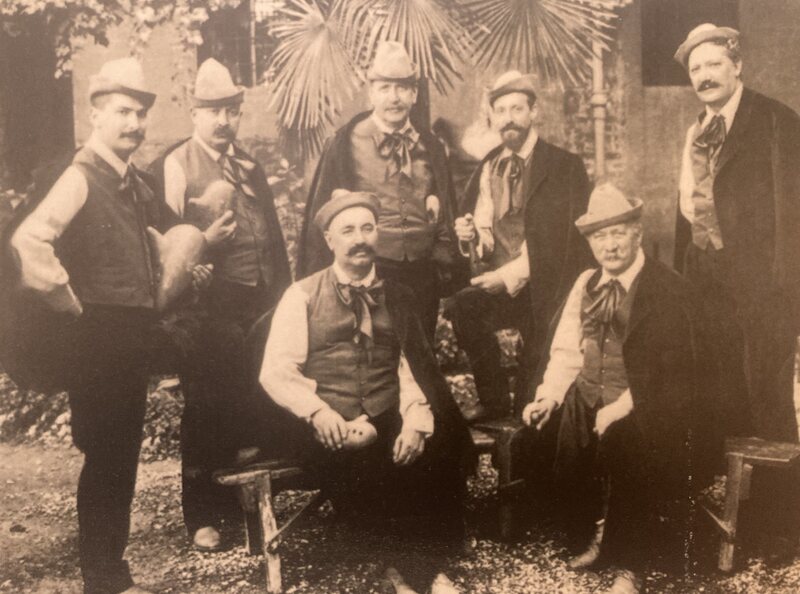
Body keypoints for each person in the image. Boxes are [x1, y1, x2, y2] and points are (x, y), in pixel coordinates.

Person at [8, 58, 197, 594]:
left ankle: (109, 570)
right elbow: (29, 242)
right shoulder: (81, 174)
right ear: (96, 115)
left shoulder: (129, 179)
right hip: (97, 336)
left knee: (118, 453)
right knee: (108, 456)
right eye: (122, 112)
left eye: (140, 114)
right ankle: (104, 576)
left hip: (128, 334)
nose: (134, 124)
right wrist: (69, 303)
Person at [261, 189, 475, 594]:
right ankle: (411, 575)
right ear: (330, 240)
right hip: (324, 418)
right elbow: (277, 370)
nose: (359, 239)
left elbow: (411, 368)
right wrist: (319, 412)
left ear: (378, 234)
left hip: (385, 408)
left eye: (367, 228)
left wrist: (414, 422)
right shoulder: (301, 294)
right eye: (348, 231)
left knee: (427, 450)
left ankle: (417, 571)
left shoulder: (399, 294)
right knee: (368, 463)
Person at [523, 184, 698, 594]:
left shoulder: (665, 287)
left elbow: (673, 369)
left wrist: (622, 406)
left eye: (618, 232)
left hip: (646, 401)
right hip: (589, 394)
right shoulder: (586, 283)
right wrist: (549, 395)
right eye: (600, 236)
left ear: (637, 233)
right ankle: (598, 536)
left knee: (627, 448)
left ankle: (631, 565)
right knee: (556, 446)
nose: (610, 245)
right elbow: (568, 348)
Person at [152, 58, 291, 550]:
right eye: (212, 111)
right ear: (194, 113)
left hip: (258, 303)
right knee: (206, 408)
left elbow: (272, 239)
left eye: (230, 111)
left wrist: (285, 297)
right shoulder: (175, 164)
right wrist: (200, 253)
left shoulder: (248, 166)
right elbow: (164, 247)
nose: (223, 121)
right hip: (206, 309)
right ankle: (202, 515)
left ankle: (245, 503)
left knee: (252, 402)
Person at [673, 21, 800, 557]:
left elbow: (792, 212)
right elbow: (686, 211)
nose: (704, 75)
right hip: (708, 282)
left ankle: (783, 524)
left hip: (763, 287)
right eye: (695, 68)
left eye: (713, 64)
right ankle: (738, 515)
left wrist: (786, 288)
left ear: (737, 66)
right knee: (723, 392)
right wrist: (683, 281)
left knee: (767, 394)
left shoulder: (775, 121)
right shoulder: (696, 130)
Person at [447, 70, 593, 421]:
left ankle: (529, 409)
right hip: (503, 286)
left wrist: (507, 276)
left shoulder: (563, 167)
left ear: (534, 112)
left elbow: (560, 243)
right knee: (463, 306)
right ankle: (494, 398)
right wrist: (471, 238)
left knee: (531, 395)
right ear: (492, 116)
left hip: (548, 289)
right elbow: (485, 229)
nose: (508, 119)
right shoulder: (489, 166)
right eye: (501, 111)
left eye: (517, 109)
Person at [297, 41, 457, 341]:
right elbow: (323, 216)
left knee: (421, 354)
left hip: (422, 274)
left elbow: (446, 206)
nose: (394, 98)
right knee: (376, 354)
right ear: (371, 93)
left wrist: (441, 257)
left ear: (414, 94)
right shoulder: (345, 143)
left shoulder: (431, 144)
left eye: (402, 88)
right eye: (384, 88)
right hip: (371, 270)